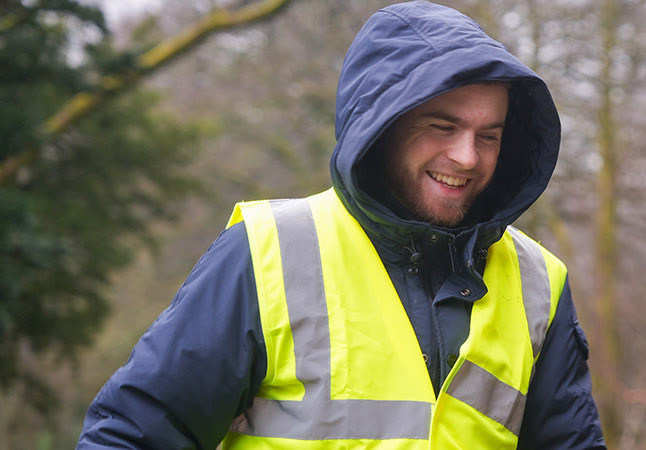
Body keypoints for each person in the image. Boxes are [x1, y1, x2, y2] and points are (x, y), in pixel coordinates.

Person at [77, 2, 606, 448]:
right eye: (442, 126)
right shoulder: (268, 253)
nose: (466, 156)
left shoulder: (541, 283)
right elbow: (133, 434)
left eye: (488, 135)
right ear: (381, 126)